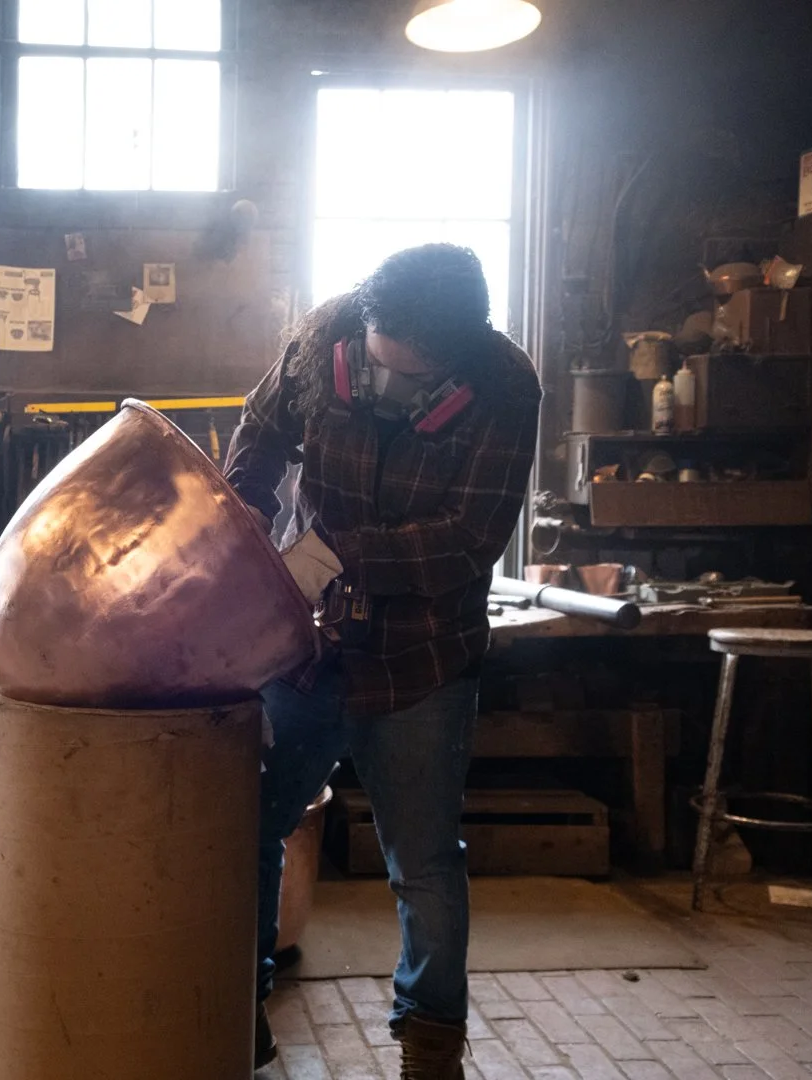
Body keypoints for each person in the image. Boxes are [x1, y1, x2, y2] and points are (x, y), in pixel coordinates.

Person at [223, 244, 540, 1080]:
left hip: (420, 658)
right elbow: (258, 432)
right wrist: (243, 517)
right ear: (363, 325)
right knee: (249, 825)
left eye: (410, 378)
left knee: (424, 861)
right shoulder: (327, 329)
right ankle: (233, 1013)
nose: (385, 388)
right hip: (310, 647)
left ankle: (430, 1047)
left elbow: (470, 540)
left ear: (457, 358)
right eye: (375, 365)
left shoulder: (507, 387)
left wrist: (335, 554)